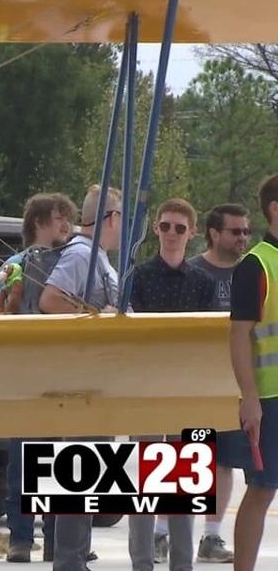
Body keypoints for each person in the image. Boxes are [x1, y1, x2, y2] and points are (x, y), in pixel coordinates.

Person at [126, 198, 217, 571]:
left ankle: (183, 563)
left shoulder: (204, 282)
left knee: (186, 482)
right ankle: (142, 562)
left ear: (192, 233)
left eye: (180, 227)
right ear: (156, 230)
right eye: (165, 226)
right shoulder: (139, 277)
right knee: (147, 483)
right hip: (145, 386)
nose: (172, 234)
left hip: (187, 388)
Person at [40, 185, 123, 571]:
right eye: (120, 217)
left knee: (89, 469)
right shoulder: (80, 255)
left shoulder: (98, 257)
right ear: (111, 219)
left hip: (97, 377)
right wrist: (96, 317)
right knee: (81, 468)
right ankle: (69, 560)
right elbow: (51, 299)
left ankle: (74, 556)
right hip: (80, 378)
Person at [165, 203, 252, 564]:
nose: (242, 238)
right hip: (192, 382)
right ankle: (162, 533)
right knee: (186, 458)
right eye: (235, 232)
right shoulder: (194, 272)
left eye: (246, 232)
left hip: (233, 382)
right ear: (214, 234)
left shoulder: (251, 273)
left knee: (226, 461)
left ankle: (211, 538)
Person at [0, 193, 77, 563]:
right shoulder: (16, 262)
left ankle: (56, 538)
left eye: (69, 219)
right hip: (26, 370)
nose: (66, 225)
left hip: (64, 367)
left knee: (60, 458)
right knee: (24, 456)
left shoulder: (72, 262)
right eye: (60, 218)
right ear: (39, 220)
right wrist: (9, 292)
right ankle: (20, 537)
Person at [227, 175, 278, 571]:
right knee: (262, 490)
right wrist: (250, 399)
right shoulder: (256, 265)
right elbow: (239, 336)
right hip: (271, 399)